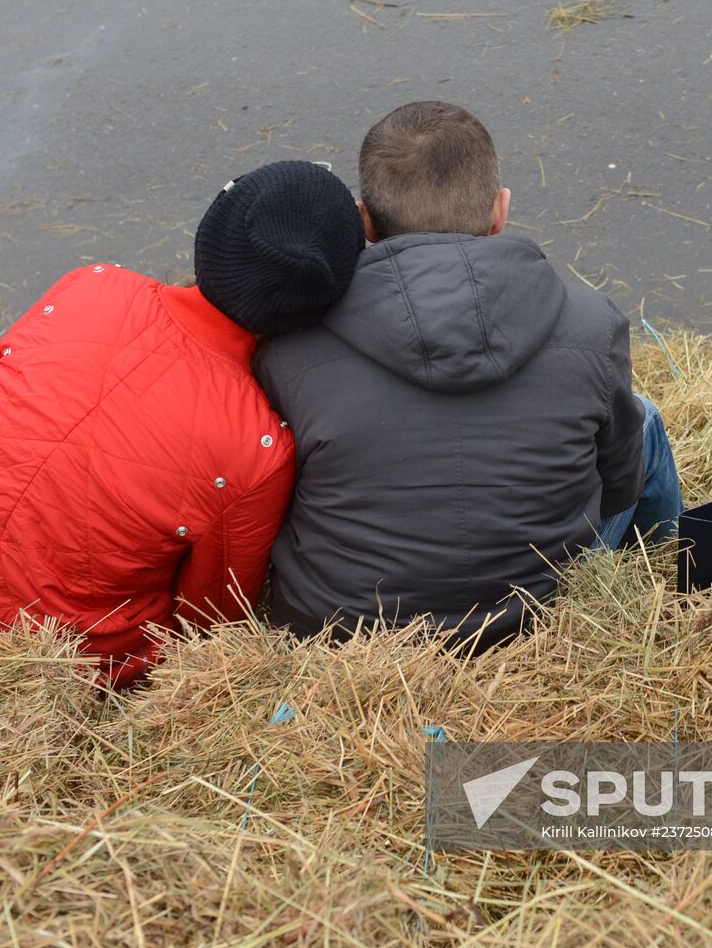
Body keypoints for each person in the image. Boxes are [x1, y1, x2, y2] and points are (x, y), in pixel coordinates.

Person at [0, 161, 365, 685]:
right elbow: (212, 618)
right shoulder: (257, 445)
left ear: (212, 236)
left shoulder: (88, 287)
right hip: (71, 658)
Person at [257, 102, 682, 652]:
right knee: (641, 417)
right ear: (500, 211)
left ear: (363, 220)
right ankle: (671, 576)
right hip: (537, 612)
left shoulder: (290, 346)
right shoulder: (592, 322)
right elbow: (618, 482)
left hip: (347, 631)